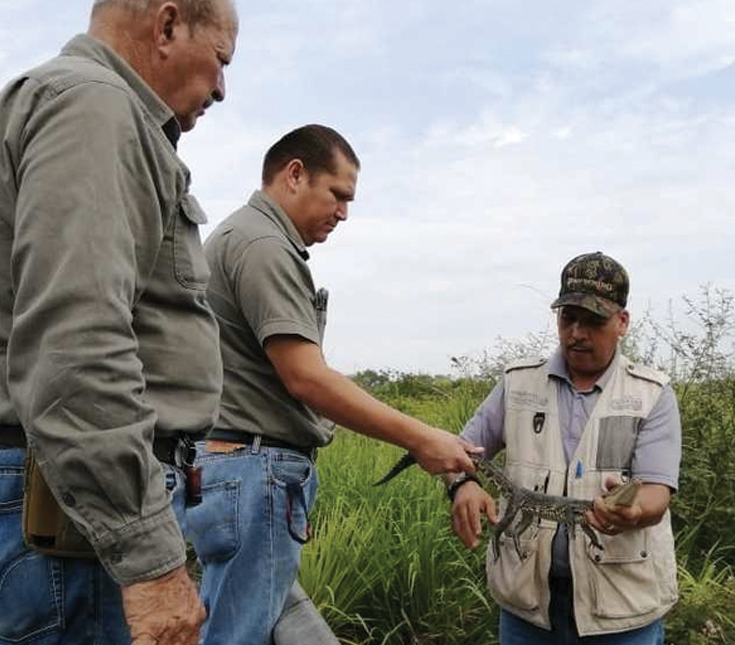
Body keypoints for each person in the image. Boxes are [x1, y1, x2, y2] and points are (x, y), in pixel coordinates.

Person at [0, 2, 237, 644]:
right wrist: (150, 562)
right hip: (71, 512)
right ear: (166, 26)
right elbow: (78, 348)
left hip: (65, 495)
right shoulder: (97, 108)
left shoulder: (79, 103)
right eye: (220, 59)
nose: (221, 87)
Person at [185, 124, 479, 645]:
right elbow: (306, 376)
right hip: (254, 470)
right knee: (239, 634)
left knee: (266, 625)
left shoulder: (244, 237)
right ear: (295, 174)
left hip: (244, 472)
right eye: (338, 195)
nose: (343, 213)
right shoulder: (262, 245)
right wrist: (421, 436)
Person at [449, 252, 681, 644]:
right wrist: (462, 484)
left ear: (622, 322)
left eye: (593, 321)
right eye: (568, 318)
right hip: (528, 609)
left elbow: (657, 491)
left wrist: (633, 511)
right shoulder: (518, 383)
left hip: (621, 612)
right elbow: (461, 451)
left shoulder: (651, 394)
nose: (577, 333)